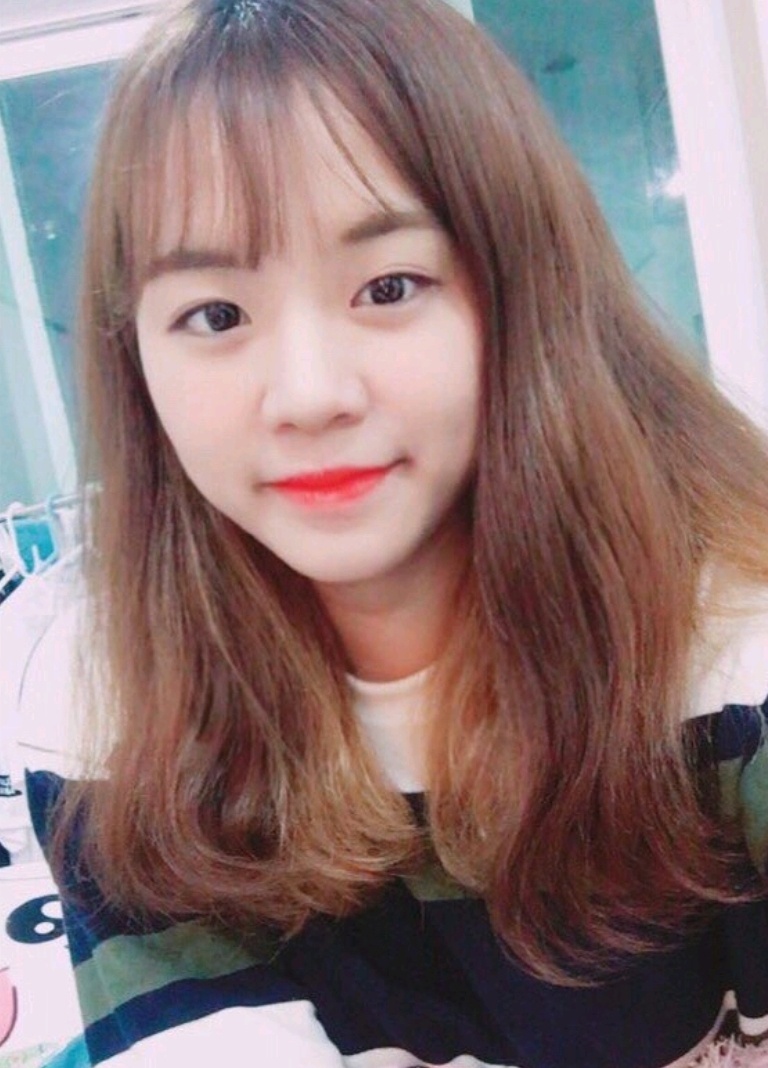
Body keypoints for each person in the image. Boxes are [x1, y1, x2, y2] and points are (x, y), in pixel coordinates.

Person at [24, 0, 768, 1065]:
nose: (309, 395)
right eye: (216, 316)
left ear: (526, 294)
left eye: (389, 287)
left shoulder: (735, 647)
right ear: (133, 358)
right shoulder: (108, 695)